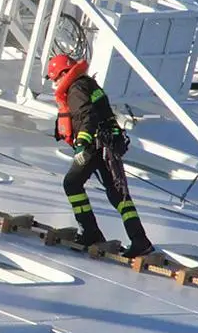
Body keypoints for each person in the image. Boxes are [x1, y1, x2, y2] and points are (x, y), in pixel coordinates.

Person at [48, 53, 154, 259]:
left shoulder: (76, 89)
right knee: (118, 194)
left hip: (94, 146)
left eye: (55, 79)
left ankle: (90, 233)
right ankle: (140, 240)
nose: (55, 83)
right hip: (108, 146)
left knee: (72, 184)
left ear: (63, 73)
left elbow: (87, 116)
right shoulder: (88, 84)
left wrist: (81, 145)